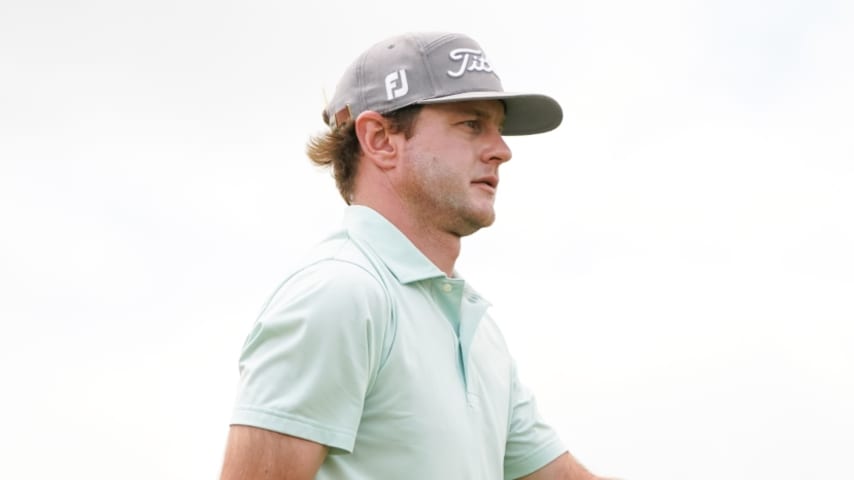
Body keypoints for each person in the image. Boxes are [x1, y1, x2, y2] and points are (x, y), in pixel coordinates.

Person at [220, 31, 606, 479]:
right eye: (471, 124)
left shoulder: (477, 332)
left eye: (497, 129)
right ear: (381, 139)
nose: (502, 150)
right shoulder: (339, 295)